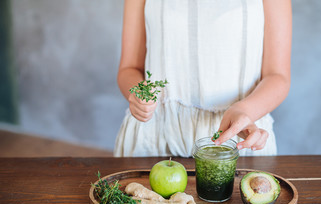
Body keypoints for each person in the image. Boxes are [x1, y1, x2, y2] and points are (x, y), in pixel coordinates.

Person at [114, 0, 291, 157]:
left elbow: (277, 76)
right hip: (154, 137)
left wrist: (245, 110)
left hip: (240, 137)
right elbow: (129, 68)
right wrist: (139, 93)